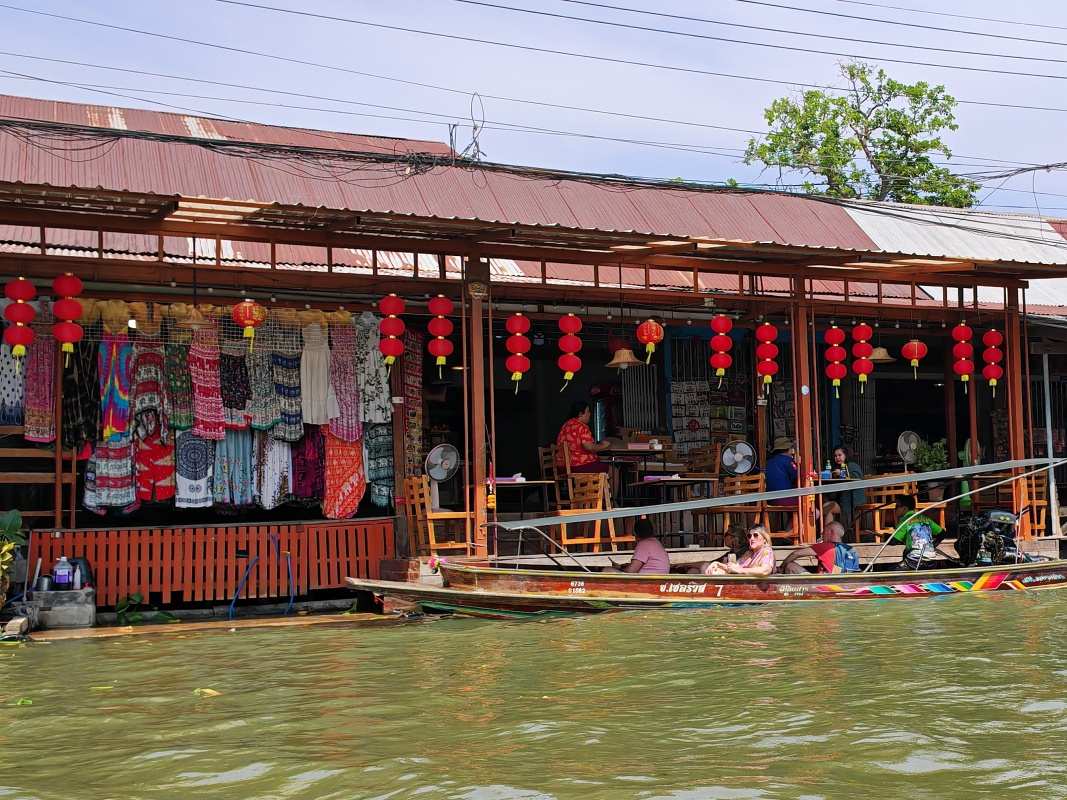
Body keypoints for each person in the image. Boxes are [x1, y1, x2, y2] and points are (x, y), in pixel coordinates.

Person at [779, 522, 860, 574]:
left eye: (823, 532)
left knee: (790, 565)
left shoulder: (825, 547)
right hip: (844, 582)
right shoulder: (852, 550)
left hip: (825, 585)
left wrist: (781, 568)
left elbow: (795, 553)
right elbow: (851, 571)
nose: (822, 534)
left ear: (830, 532)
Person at [890, 494, 945, 569]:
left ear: (904, 508)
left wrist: (886, 537)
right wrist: (931, 545)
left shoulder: (905, 520)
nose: (895, 509)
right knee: (906, 551)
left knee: (892, 571)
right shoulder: (925, 518)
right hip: (931, 559)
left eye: (897, 507)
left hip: (915, 560)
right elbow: (942, 534)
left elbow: (894, 541)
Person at [556, 400, 610, 474]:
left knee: (600, 461)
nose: (590, 414)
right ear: (580, 414)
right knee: (612, 469)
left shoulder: (565, 425)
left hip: (563, 467)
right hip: (578, 466)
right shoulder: (581, 427)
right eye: (587, 411)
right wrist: (604, 445)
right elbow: (589, 447)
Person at [704, 524, 776, 576]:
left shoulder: (766, 551)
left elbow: (765, 570)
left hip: (758, 587)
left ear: (764, 539)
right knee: (714, 570)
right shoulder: (749, 553)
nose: (752, 538)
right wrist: (717, 564)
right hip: (745, 585)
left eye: (756, 535)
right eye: (749, 536)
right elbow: (734, 567)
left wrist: (740, 570)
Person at [606, 517, 670, 574]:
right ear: (652, 531)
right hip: (658, 578)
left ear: (637, 533)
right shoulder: (656, 542)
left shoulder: (643, 544)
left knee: (607, 570)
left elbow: (631, 571)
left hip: (648, 581)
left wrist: (619, 568)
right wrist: (620, 567)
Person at [830, 445, 865, 529]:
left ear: (846, 455)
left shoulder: (852, 465)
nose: (837, 458)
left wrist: (842, 473)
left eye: (840, 455)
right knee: (828, 507)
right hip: (842, 501)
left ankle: (845, 531)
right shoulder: (837, 469)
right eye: (835, 456)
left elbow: (857, 478)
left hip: (853, 500)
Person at [765, 437, 799, 507]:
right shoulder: (788, 461)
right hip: (785, 499)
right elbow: (797, 476)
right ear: (788, 449)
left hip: (770, 500)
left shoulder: (768, 462)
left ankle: (792, 518)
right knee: (809, 504)